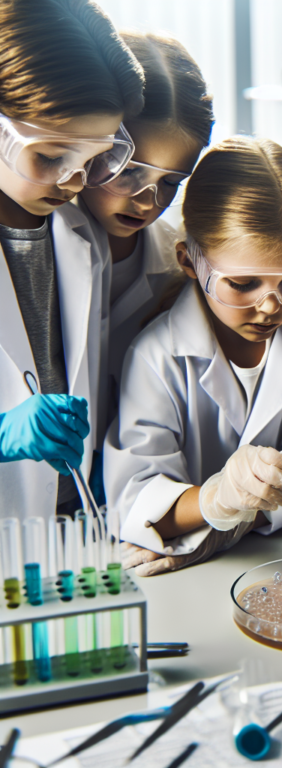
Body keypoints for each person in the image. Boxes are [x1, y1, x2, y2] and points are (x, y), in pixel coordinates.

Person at [104, 137, 282, 576]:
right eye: (242, 284)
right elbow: (137, 499)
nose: (270, 306)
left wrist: (228, 524)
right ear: (189, 261)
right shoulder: (155, 354)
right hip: (189, 571)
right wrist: (215, 499)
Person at [0, 0, 144, 519]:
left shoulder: (78, 232)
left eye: (93, 157)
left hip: (74, 517)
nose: (75, 180)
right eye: (52, 155)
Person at [79, 31, 214, 418]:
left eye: (171, 182)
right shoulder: (38, 239)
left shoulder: (177, 266)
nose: (148, 201)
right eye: (129, 170)